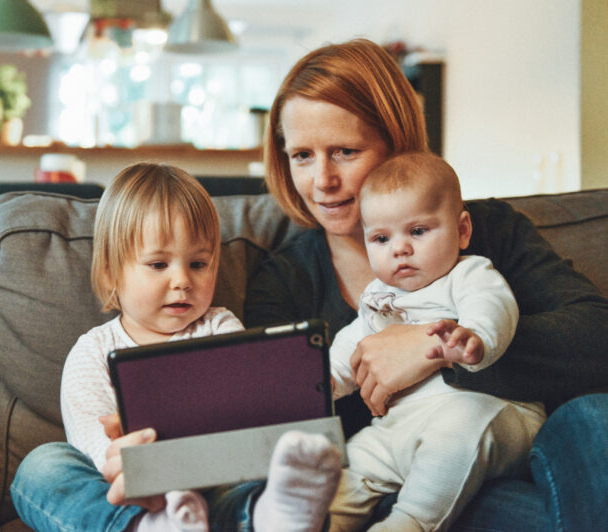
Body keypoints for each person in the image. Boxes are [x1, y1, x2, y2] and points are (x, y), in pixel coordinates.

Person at [244, 38, 608, 530]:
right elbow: (283, 423)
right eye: (302, 156)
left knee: (592, 417)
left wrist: (429, 346)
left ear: (396, 144)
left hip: (515, 454)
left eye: (345, 152)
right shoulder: (284, 280)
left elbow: (595, 335)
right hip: (391, 485)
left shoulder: (487, 231)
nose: (322, 180)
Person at [10, 162, 343, 532]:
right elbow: (95, 448)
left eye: (198, 263)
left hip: (215, 486)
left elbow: (243, 415)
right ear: (110, 272)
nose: (182, 280)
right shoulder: (91, 352)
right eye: (158, 264)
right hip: (133, 493)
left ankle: (270, 518)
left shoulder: (220, 327)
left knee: (271, 471)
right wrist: (134, 464)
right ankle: (148, 527)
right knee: (42, 466)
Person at [327, 152, 545, 531]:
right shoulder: (378, 296)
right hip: (400, 428)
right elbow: (354, 344)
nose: (400, 249)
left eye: (418, 231)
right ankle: (316, 520)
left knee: (455, 433)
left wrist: (476, 336)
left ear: (462, 230)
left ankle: (411, 522)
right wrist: (325, 381)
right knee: (350, 465)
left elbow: (492, 305)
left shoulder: (468, 273)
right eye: (381, 238)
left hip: (487, 415)